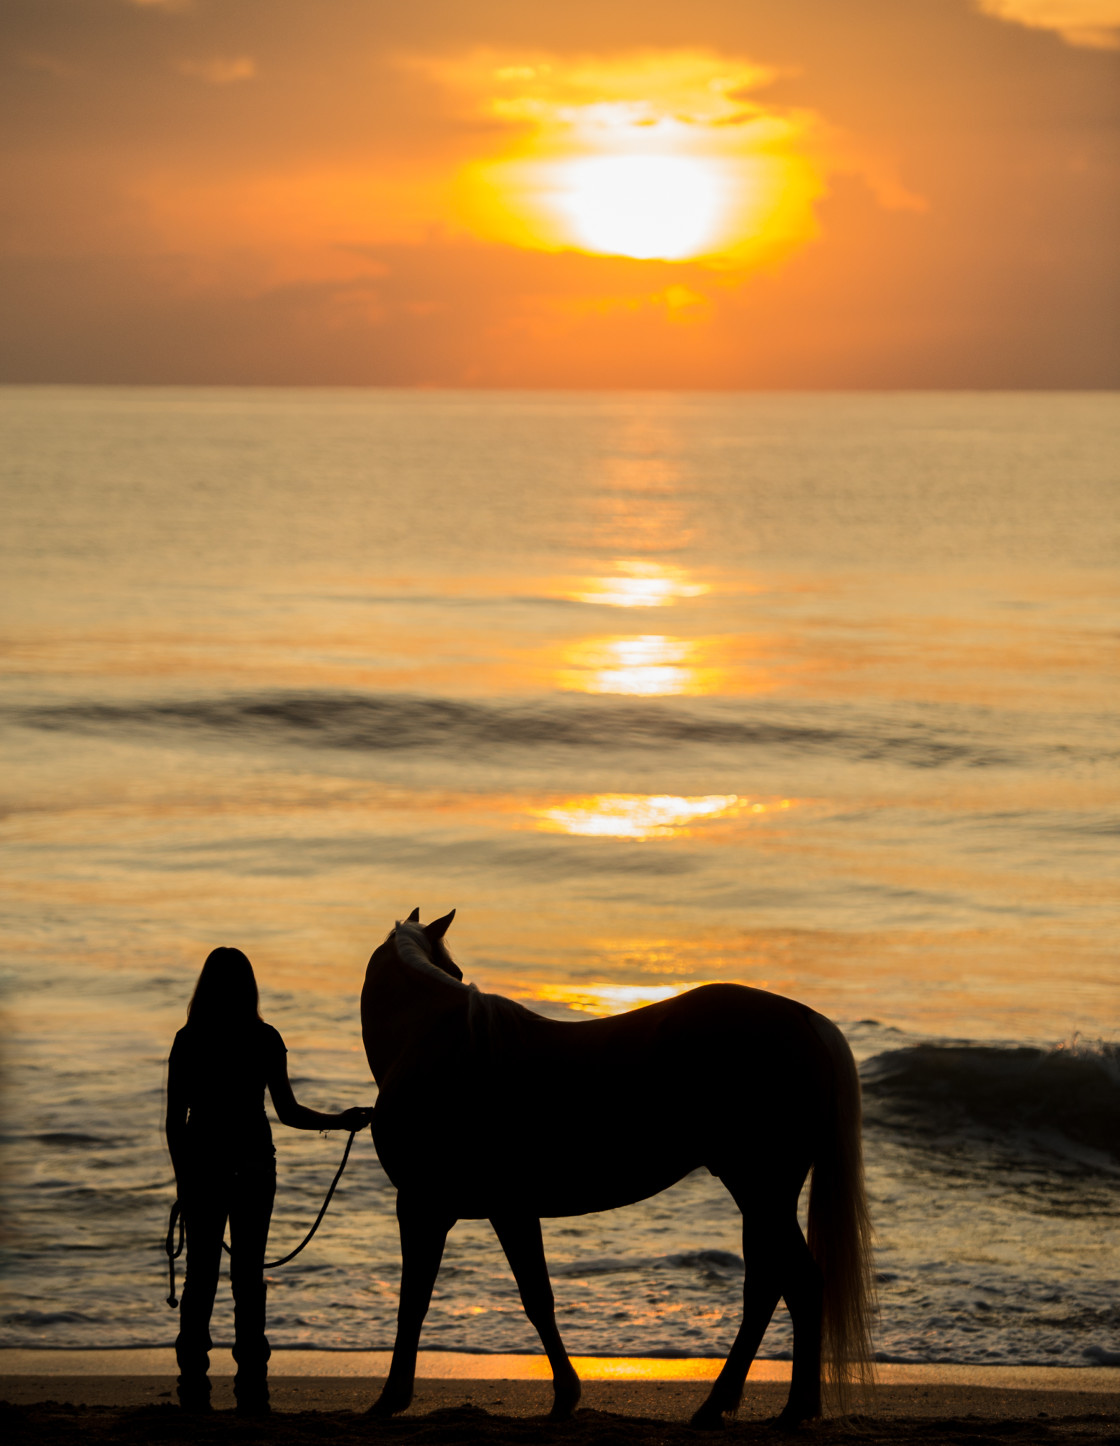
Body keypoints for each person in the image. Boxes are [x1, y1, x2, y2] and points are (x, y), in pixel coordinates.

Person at [165, 946, 372, 1413]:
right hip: (255, 1167)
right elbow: (289, 1112)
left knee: (201, 1279)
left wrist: (184, 1181)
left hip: (204, 1169)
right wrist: (340, 1120)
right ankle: (252, 1391)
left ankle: (193, 1391)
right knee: (248, 1278)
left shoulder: (189, 1038)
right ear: (249, 987)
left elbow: (175, 1122)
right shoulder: (264, 1037)